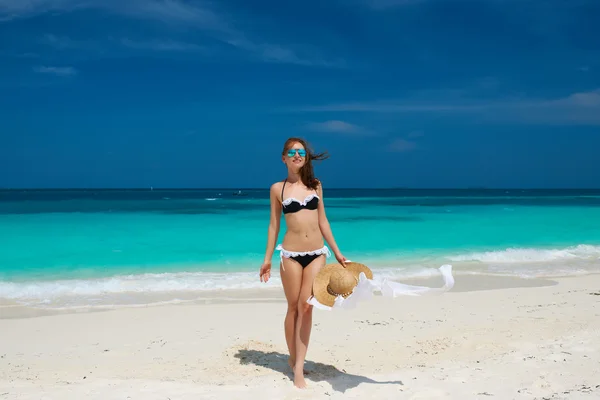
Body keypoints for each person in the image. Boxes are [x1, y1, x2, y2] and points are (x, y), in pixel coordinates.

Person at [259, 137, 348, 389]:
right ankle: (292, 357)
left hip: (317, 253)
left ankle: (299, 366)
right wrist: (266, 259)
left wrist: (338, 252)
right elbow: (274, 225)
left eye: (300, 152)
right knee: (293, 308)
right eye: (291, 152)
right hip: (290, 255)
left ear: (305, 157)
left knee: (307, 306)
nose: (297, 155)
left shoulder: (316, 185)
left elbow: (323, 221)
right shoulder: (278, 189)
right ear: (283, 158)